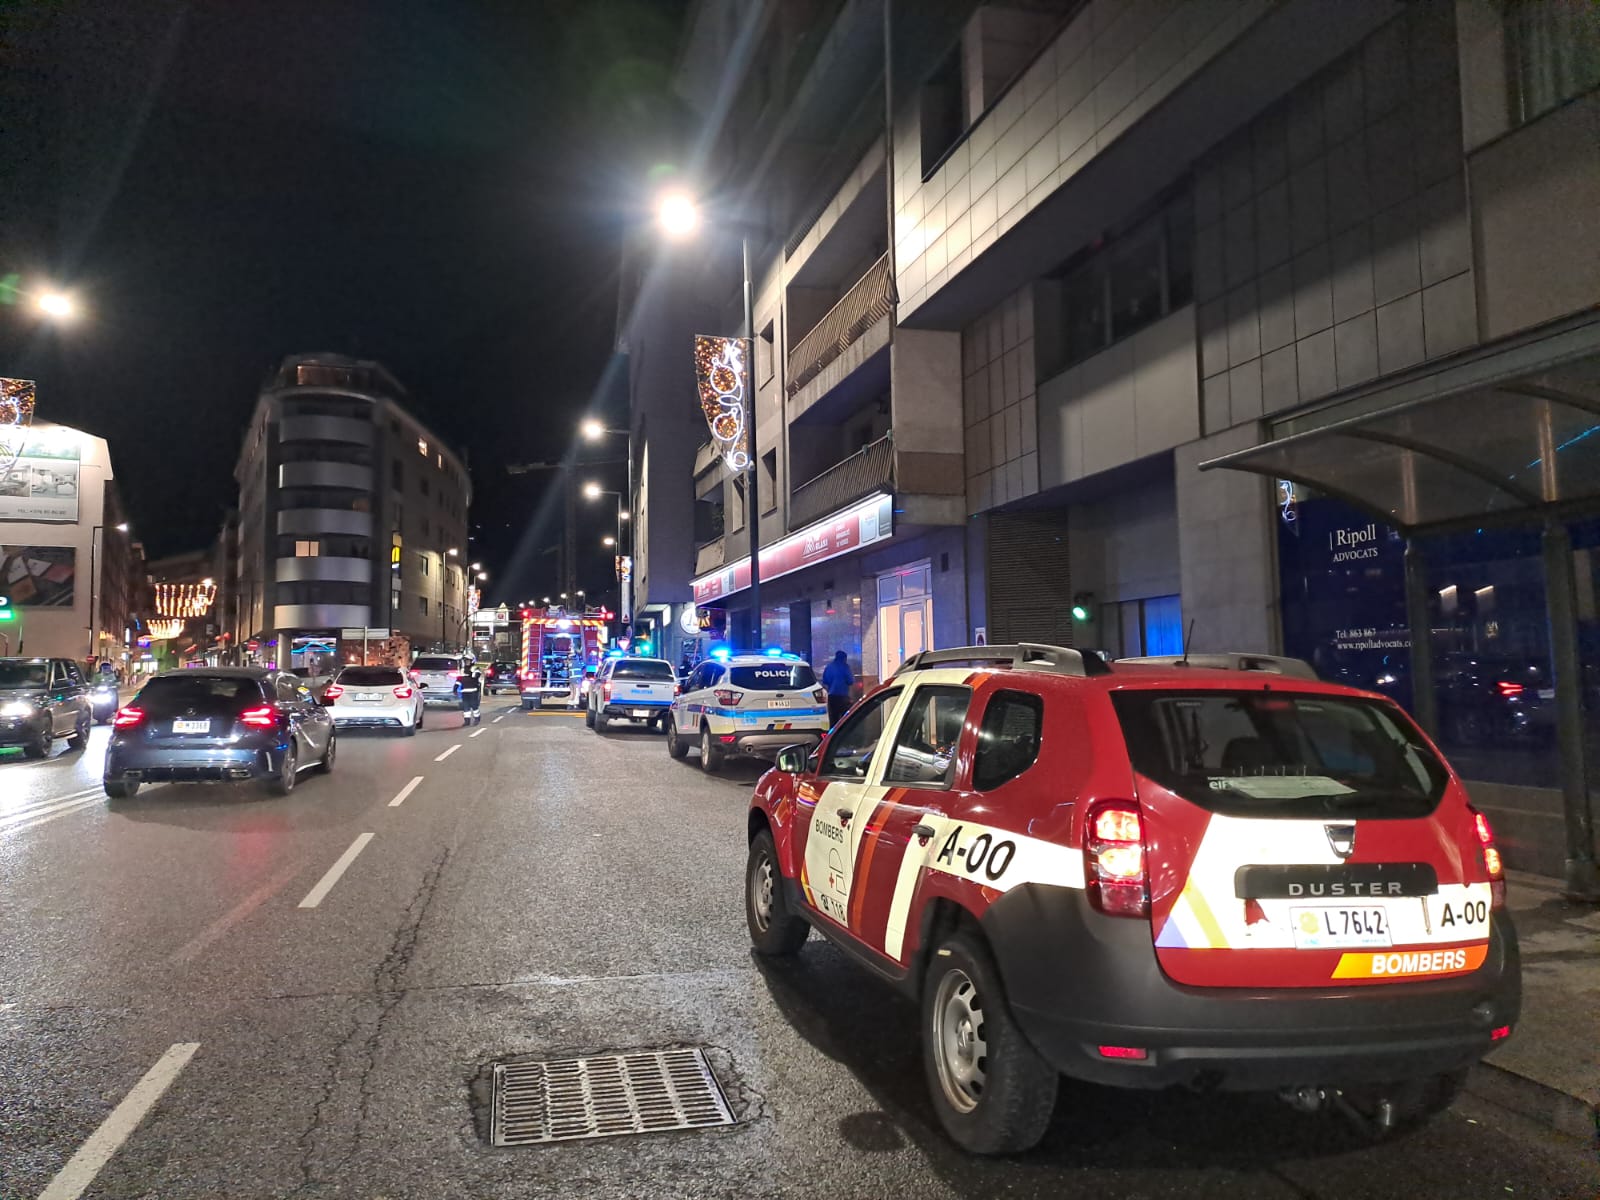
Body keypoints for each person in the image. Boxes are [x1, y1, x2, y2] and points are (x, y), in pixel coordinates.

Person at [822, 649, 854, 727]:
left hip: (832, 696)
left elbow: (825, 681)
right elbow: (850, 681)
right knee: (844, 719)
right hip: (843, 697)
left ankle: (834, 735)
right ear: (844, 658)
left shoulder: (829, 667)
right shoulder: (845, 667)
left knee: (833, 718)